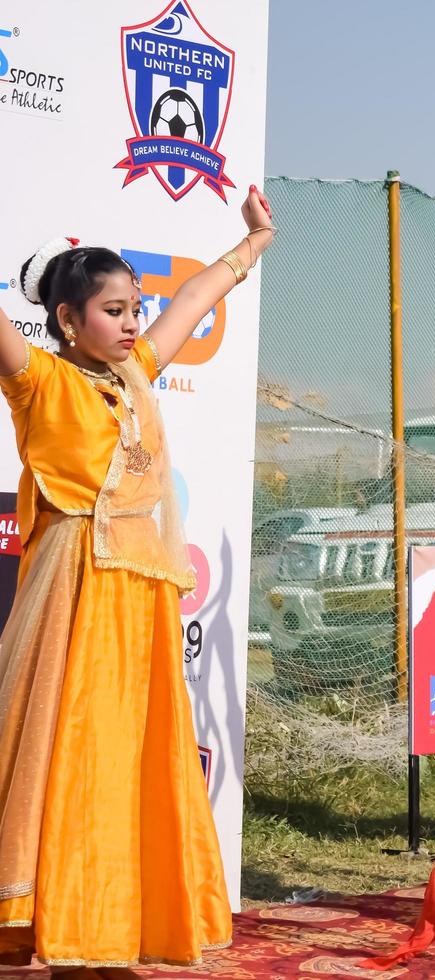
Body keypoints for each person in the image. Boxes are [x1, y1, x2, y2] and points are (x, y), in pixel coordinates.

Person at [0, 185, 275, 977]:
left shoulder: (141, 372)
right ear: (65, 322)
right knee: (71, 749)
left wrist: (252, 244)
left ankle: (113, 919)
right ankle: (59, 915)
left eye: (133, 309)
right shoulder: (40, 383)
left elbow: (192, 297)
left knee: (127, 753)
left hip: (140, 591)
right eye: (113, 311)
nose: (130, 323)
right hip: (75, 587)